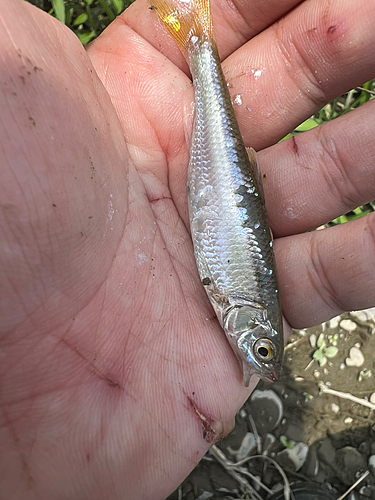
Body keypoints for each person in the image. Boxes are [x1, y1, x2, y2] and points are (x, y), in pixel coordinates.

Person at [0, 0, 374, 498]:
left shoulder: (241, 306)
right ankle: (198, 41)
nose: (258, 361)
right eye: (261, 348)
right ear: (251, 323)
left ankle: (198, 39)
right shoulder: (239, 300)